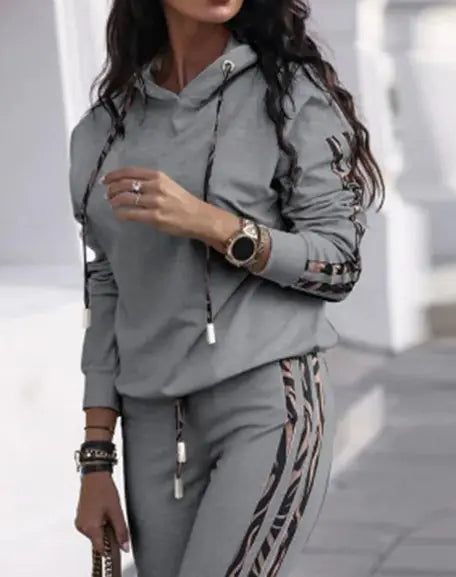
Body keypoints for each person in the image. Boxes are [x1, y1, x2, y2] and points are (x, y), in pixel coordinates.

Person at [71, 1, 384, 576]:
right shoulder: (102, 131)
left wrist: (213, 225)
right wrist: (96, 461)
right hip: (152, 426)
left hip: (266, 401)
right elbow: (106, 294)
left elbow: (339, 263)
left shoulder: (290, 97)